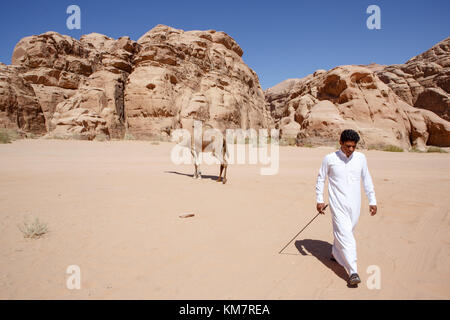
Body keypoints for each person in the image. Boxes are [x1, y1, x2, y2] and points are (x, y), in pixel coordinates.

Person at [315, 129, 377, 286]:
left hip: (355, 204)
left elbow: (366, 179)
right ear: (340, 143)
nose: (350, 150)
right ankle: (353, 271)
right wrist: (319, 199)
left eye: (353, 147)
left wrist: (372, 200)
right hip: (337, 204)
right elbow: (321, 179)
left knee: (347, 231)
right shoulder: (329, 159)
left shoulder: (361, 158)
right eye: (347, 146)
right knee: (345, 235)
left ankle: (336, 253)